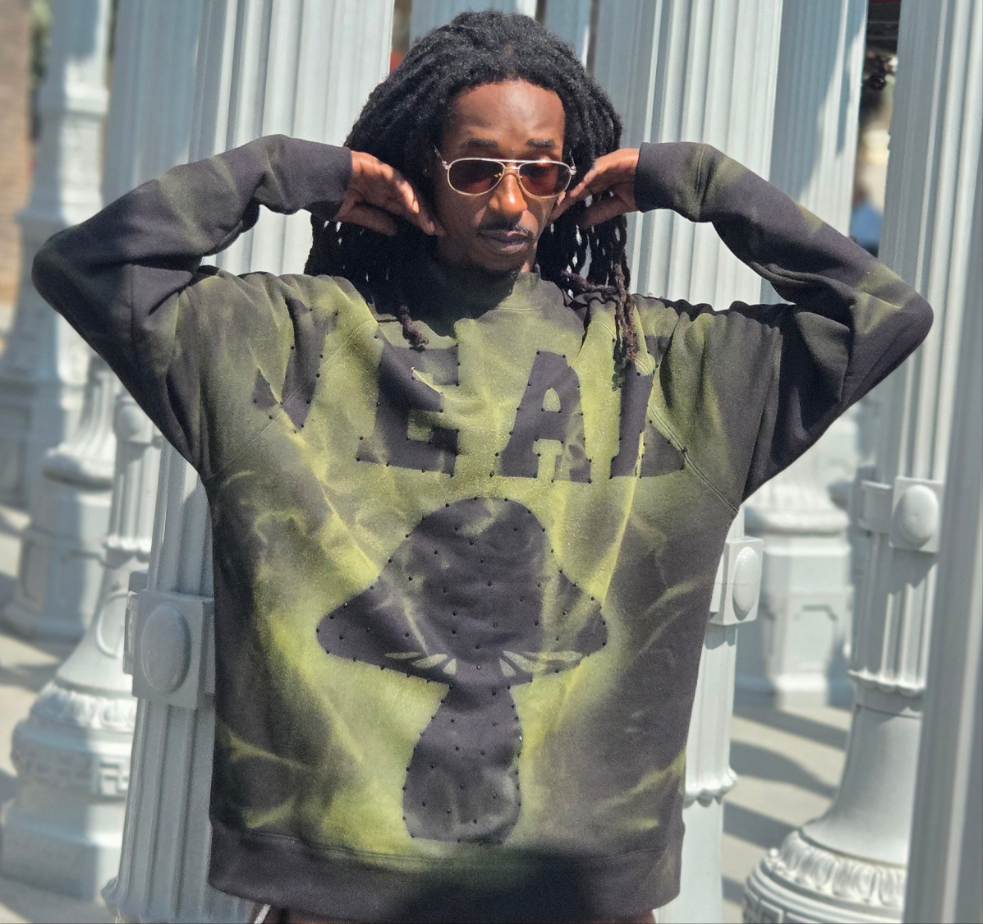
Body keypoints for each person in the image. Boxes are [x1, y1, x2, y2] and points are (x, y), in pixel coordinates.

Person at [31, 11, 932, 924]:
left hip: (572, 894)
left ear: (571, 177)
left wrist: (696, 178)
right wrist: (289, 171)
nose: (509, 203)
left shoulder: (656, 362)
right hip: (346, 890)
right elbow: (87, 268)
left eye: (541, 170)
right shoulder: (294, 337)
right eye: (474, 169)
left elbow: (883, 317)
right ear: (420, 167)